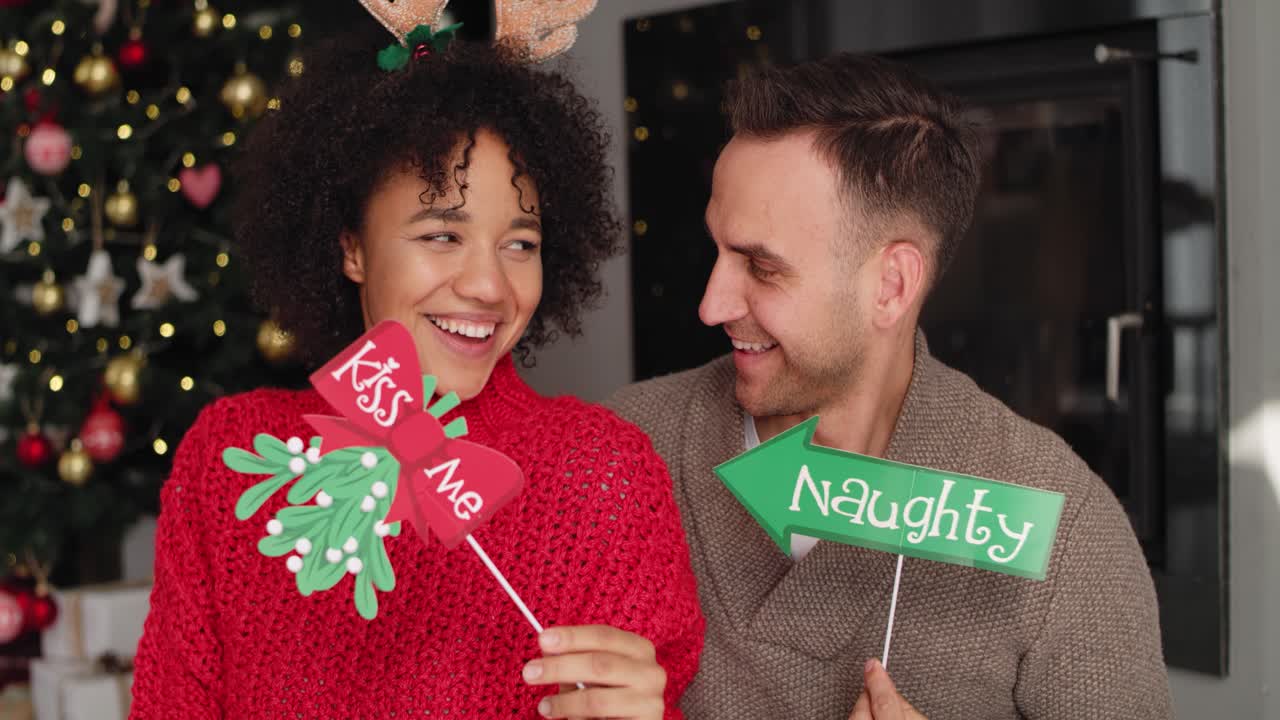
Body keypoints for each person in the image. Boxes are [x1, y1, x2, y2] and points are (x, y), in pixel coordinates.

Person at [130, 27, 703, 720]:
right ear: (352, 248)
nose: (490, 285)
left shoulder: (604, 477)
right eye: (441, 235)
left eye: (520, 244)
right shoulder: (231, 461)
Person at [606, 53, 1171, 719]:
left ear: (891, 285)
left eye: (760, 265)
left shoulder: (1063, 529)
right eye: (719, 251)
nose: (710, 304)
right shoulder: (617, 449)